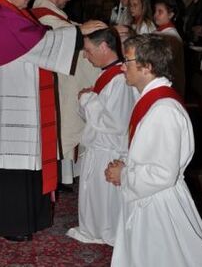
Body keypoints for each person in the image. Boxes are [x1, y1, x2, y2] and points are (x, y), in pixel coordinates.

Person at [0, 0, 105, 242]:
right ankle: (13, 224)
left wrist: (76, 32)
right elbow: (38, 42)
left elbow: (35, 35)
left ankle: (26, 217)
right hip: (8, 104)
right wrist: (78, 33)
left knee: (20, 162)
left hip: (14, 98)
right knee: (12, 164)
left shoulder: (2, 9)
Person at [105, 34, 202, 266]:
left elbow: (163, 174)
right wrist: (126, 165)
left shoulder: (164, 110)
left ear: (147, 66)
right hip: (149, 196)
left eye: (127, 61)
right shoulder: (151, 100)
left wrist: (125, 175)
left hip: (159, 203)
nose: (121, 67)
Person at [66, 28, 136, 246]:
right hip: (99, 147)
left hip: (110, 149)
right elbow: (95, 114)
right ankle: (95, 229)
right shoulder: (106, 74)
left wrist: (87, 99)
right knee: (94, 197)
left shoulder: (119, 80)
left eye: (88, 50)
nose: (86, 56)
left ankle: (108, 232)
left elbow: (115, 122)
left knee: (105, 199)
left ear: (104, 47)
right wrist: (87, 99)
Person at [32, 0, 100, 191]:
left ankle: (65, 176)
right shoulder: (43, 14)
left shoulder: (52, 13)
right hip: (56, 84)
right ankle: (61, 177)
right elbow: (64, 35)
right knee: (62, 128)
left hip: (62, 82)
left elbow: (69, 29)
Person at [154, 0, 185, 98]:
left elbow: (164, 61)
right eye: (155, 11)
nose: (155, 15)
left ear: (171, 15)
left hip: (171, 85)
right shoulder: (158, 31)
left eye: (160, 12)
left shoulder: (172, 36)